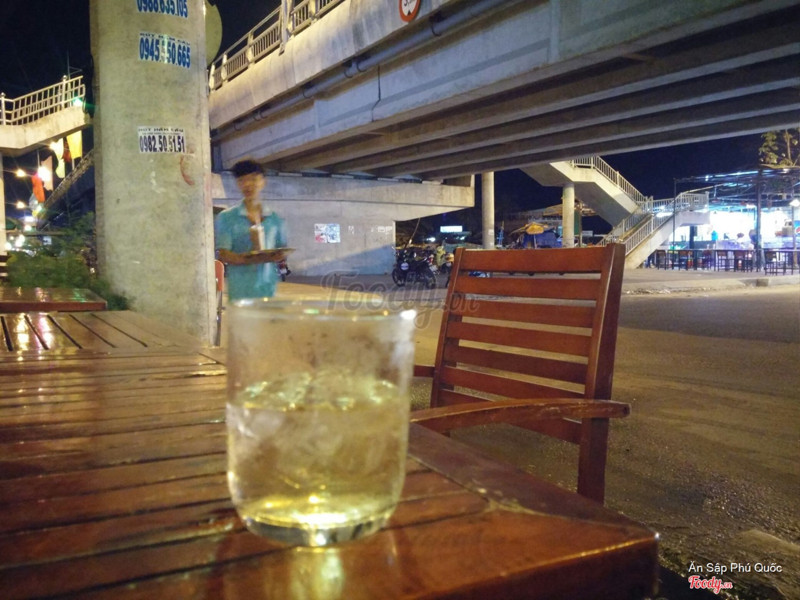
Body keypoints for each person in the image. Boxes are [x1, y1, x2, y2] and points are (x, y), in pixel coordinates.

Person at [214, 159, 288, 300]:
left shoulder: (274, 218)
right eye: (242, 180)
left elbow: (281, 249)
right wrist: (254, 258)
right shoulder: (227, 217)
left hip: (269, 289)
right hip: (241, 291)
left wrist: (278, 255)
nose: (248, 184)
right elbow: (223, 254)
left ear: (263, 182)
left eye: (253, 179)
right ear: (237, 184)